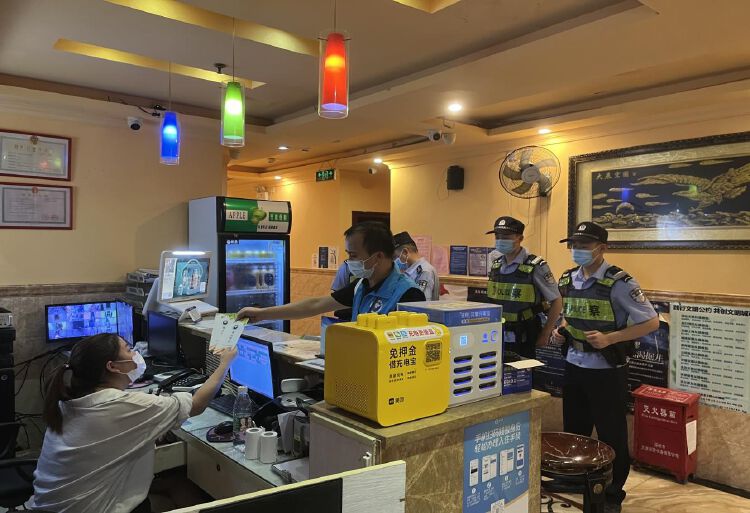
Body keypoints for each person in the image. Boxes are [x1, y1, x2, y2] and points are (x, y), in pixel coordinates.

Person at [30, 333, 237, 513]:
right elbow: (197, 404)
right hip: (93, 508)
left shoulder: (72, 400)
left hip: (52, 506)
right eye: (129, 350)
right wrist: (224, 364)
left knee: (175, 484)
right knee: (184, 491)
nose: (135, 354)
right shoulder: (122, 405)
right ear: (112, 367)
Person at [551, 221, 659, 513]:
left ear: (602, 248)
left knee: (611, 435)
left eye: (584, 245)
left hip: (606, 371)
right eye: (574, 245)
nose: (577, 250)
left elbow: (651, 322)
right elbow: (569, 313)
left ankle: (612, 493)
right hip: (574, 364)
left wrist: (611, 338)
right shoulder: (568, 278)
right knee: (575, 429)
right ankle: (575, 479)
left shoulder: (619, 283)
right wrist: (561, 330)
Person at [238, 222, 426, 324]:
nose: (349, 261)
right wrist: (262, 314)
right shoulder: (361, 285)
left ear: (378, 256)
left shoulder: (409, 294)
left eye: (353, 255)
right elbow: (315, 305)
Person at [484, 216, 562, 359]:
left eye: (506, 237)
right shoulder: (496, 265)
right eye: (497, 237)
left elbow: (557, 301)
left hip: (525, 334)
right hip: (497, 334)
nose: (500, 240)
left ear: (520, 238)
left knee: (522, 372)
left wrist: (546, 333)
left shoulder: (535, 266)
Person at [392, 231, 440, 301]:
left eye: (395, 257)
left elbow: (421, 302)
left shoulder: (424, 271)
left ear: (405, 252)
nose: (394, 261)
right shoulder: (411, 271)